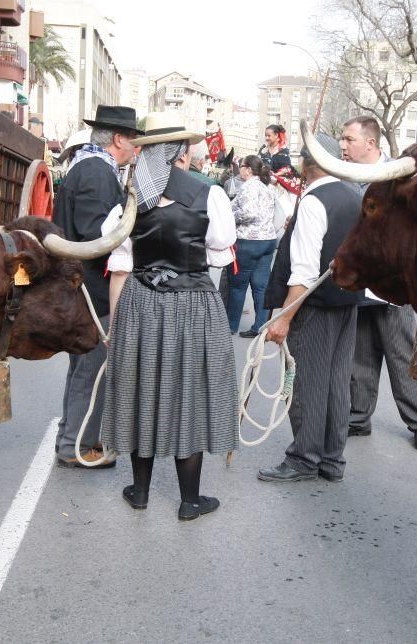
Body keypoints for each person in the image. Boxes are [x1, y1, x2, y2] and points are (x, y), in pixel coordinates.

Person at [101, 111, 238, 521]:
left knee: (140, 390)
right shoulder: (208, 194)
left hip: (141, 303)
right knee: (190, 396)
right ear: (180, 151)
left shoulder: (129, 199)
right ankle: (189, 501)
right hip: (194, 304)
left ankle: (140, 492)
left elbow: (120, 265)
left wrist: (115, 325)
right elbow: (219, 251)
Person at [257, 132, 364, 483]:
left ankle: (305, 457)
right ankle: (332, 459)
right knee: (336, 381)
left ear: (307, 163)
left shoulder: (315, 202)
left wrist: (283, 319)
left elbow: (303, 271)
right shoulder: (353, 197)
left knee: (309, 383)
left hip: (316, 306)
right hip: (347, 303)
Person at [52, 105, 144, 469]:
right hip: (93, 290)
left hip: (85, 287)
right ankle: (77, 445)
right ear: (119, 138)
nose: (137, 149)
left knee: (85, 368)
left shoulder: (90, 168)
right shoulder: (97, 173)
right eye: (134, 141)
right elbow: (96, 235)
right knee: (92, 369)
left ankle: (71, 438)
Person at [339, 116, 417, 450]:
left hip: (391, 287)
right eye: (342, 139)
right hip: (358, 284)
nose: (343, 145)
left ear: (371, 143)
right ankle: (358, 417)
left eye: (349, 139)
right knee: (360, 357)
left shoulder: (401, 178)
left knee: (401, 355)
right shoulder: (345, 177)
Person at [225, 154, 278, 337]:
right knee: (260, 286)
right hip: (268, 240)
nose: (240, 170)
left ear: (248, 169)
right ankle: (260, 327)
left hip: (248, 242)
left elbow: (249, 213)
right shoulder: (268, 187)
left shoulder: (248, 186)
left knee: (238, 286)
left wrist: (230, 216)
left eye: (241, 167)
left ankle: (231, 325)